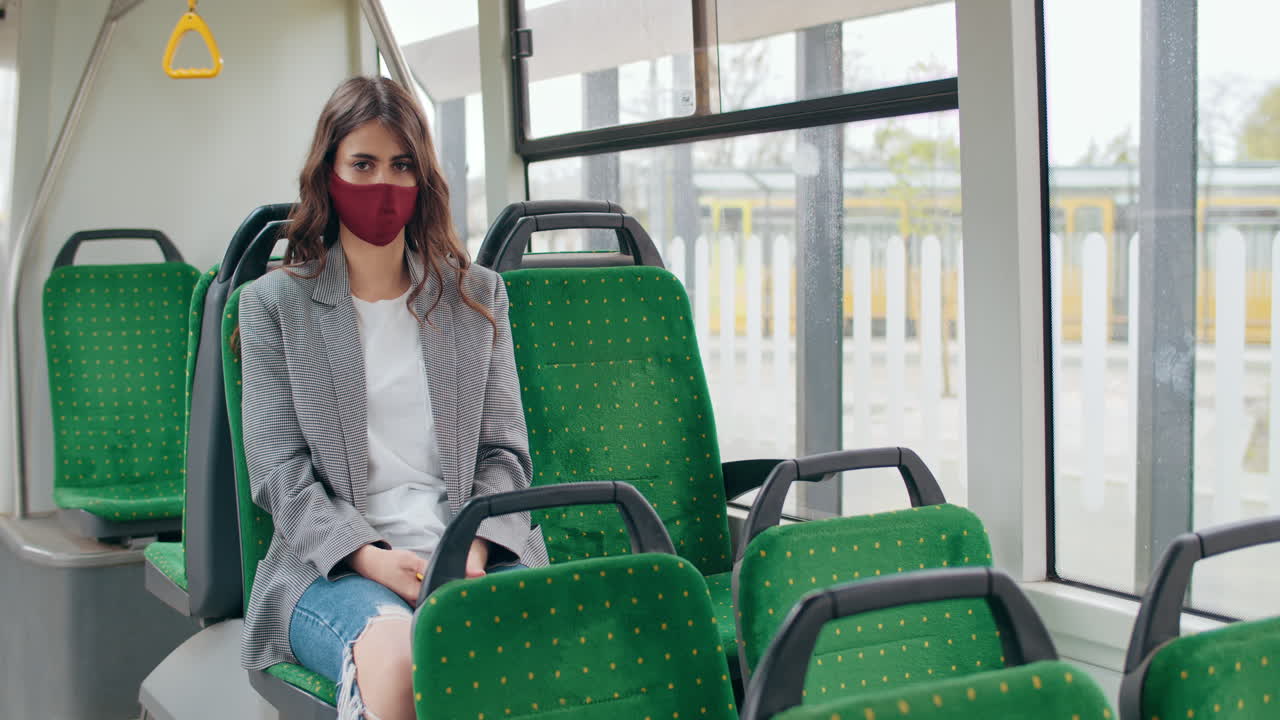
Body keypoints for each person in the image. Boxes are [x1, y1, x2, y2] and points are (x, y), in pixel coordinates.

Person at [236, 76, 548, 720]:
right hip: (334, 567)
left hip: (473, 553)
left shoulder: (477, 297)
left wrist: (470, 550)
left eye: (401, 165)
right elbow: (279, 474)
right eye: (363, 164)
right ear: (328, 175)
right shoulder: (272, 305)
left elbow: (504, 455)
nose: (383, 184)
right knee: (408, 662)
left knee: (543, 651)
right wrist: (372, 559)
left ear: (422, 178)